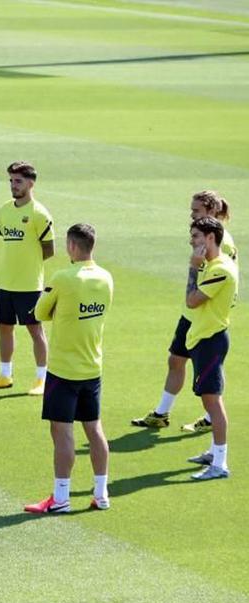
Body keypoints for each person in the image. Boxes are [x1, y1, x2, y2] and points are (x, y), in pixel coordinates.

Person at [24, 224, 114, 514]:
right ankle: (101, 494)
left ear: (72, 247)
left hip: (63, 370)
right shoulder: (106, 278)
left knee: (62, 433)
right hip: (92, 367)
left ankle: (61, 498)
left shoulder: (63, 278)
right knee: (94, 429)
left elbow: (39, 312)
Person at [131, 191, 237, 432]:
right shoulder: (206, 238)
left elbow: (225, 281)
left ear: (210, 211)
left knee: (209, 374)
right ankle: (161, 413)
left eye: (196, 211)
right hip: (192, 313)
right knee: (176, 360)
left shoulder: (222, 243)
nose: (191, 215)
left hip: (202, 314)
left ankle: (211, 420)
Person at [0, 162, 54, 395]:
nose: (13, 185)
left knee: (34, 330)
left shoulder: (39, 214)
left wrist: (29, 266)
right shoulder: (5, 211)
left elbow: (48, 249)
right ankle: (4, 375)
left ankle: (42, 378)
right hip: (4, 283)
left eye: (18, 181)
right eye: (11, 181)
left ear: (31, 183)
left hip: (29, 285)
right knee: (4, 328)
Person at [180, 217, 238, 480]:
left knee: (212, 401)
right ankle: (215, 453)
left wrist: (193, 268)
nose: (192, 241)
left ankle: (220, 464)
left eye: (196, 236)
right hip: (204, 338)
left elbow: (192, 301)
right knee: (209, 399)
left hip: (211, 340)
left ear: (211, 237)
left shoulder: (219, 269)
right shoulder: (213, 265)